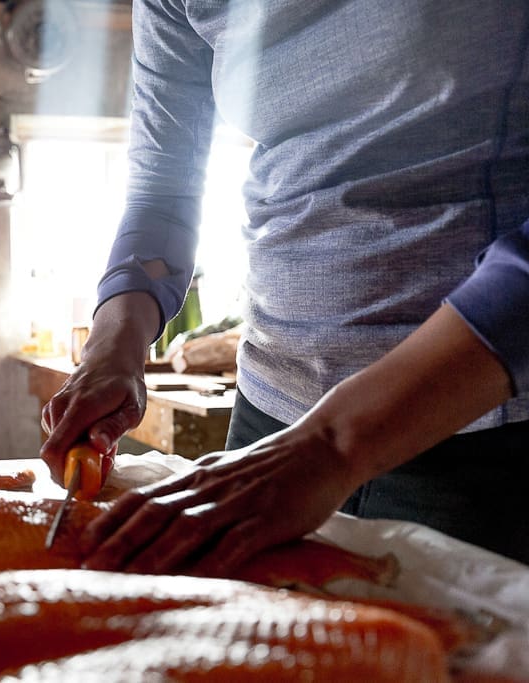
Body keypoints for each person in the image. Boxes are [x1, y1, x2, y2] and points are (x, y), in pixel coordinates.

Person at [40, 0, 529, 572]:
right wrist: (111, 349)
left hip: (472, 420)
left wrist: (334, 443)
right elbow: (163, 192)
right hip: (269, 412)